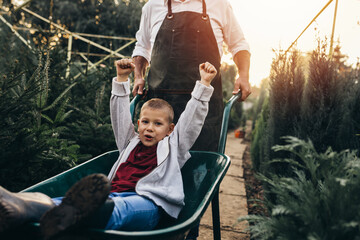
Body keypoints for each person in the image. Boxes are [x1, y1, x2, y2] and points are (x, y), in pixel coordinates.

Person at [0, 59, 217, 239]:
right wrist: (122, 79)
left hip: (148, 204)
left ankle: (80, 216)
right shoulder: (129, 142)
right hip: (111, 194)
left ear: (170, 129)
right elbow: (119, 117)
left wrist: (204, 85)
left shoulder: (173, 146)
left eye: (157, 124)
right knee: (65, 203)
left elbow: (191, 121)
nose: (149, 128)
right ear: (138, 123)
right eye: (145, 122)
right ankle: (20, 205)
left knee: (119, 209)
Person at [131, 0, 251, 238]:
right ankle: (154, 227)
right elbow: (142, 47)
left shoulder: (219, 5)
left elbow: (239, 45)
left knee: (197, 172)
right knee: (153, 168)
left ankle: (189, 231)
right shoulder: (153, 6)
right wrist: (138, 75)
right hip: (161, 108)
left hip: (204, 108)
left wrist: (244, 75)